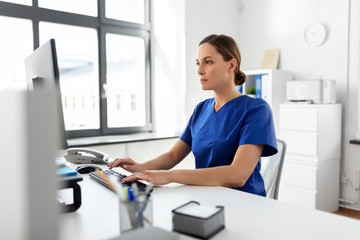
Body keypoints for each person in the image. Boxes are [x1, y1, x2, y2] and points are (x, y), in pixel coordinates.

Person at [108, 34, 277, 196]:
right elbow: (172, 156)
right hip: (206, 198)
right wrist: (139, 168)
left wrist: (169, 176)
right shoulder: (201, 109)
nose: (200, 71)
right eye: (198, 63)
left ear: (231, 65)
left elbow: (238, 175)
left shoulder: (256, 110)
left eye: (208, 62)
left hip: (246, 203)